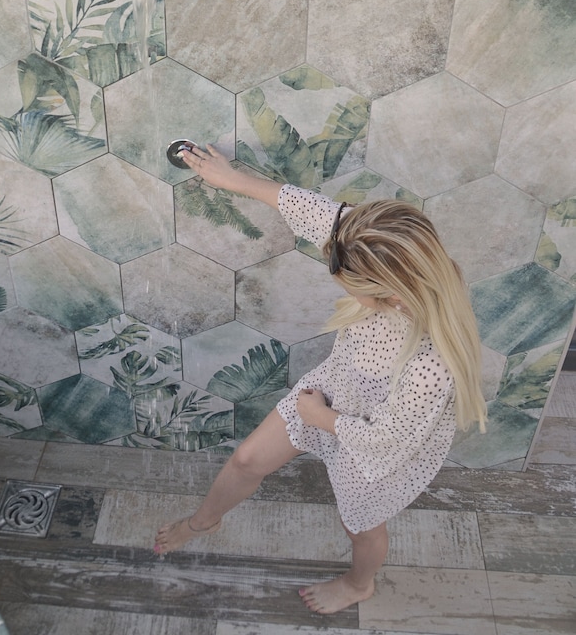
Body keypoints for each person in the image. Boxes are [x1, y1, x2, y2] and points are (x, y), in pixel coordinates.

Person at [154, 144, 487, 615]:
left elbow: (387, 437)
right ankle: (203, 522)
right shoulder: (377, 240)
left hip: (375, 441)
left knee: (361, 526)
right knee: (247, 459)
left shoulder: (431, 363)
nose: (340, 285)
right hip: (334, 389)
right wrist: (233, 180)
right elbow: (312, 210)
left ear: (392, 297)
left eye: (349, 287)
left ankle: (358, 584)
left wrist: (321, 418)